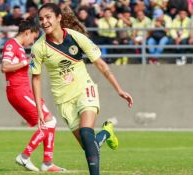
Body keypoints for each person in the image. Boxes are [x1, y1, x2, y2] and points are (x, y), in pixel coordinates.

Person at [31, 3, 133, 175]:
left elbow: (101, 65)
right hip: (63, 100)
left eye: (48, 17)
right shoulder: (39, 47)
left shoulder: (75, 37)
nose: (44, 22)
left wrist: (119, 89)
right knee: (89, 146)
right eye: (41, 19)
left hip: (84, 89)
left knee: (87, 134)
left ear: (58, 18)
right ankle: (106, 132)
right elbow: (36, 78)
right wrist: (39, 108)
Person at [0, 19, 66, 172]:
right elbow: (4, 67)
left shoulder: (20, 48)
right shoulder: (11, 45)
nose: (33, 41)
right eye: (33, 37)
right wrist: (26, 63)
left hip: (25, 91)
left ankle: (47, 163)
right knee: (48, 121)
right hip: (18, 92)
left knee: (51, 121)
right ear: (27, 32)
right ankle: (25, 156)